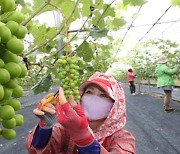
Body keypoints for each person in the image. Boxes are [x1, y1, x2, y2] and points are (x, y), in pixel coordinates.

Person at [25, 72, 136, 153]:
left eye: (103, 95)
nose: (93, 99)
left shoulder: (122, 137)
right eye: (89, 92)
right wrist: (45, 128)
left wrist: (83, 137)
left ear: (115, 105)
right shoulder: (66, 129)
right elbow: (37, 150)